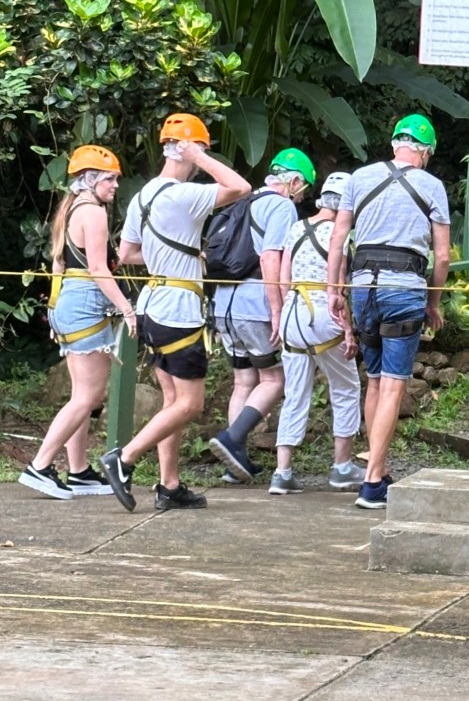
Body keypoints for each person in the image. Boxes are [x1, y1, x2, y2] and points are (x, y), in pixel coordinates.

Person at [99, 113, 251, 512]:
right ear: (189, 149)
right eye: (201, 148)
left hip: (151, 306)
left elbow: (127, 253)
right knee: (190, 404)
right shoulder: (184, 195)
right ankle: (124, 458)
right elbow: (240, 187)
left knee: (172, 400)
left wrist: (174, 254)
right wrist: (200, 157)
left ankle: (169, 486)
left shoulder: (143, 195)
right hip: (178, 312)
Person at [328, 114, 450, 510]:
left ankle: (375, 470)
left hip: (363, 289)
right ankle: (371, 482)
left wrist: (334, 290)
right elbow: (442, 256)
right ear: (425, 152)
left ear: (396, 143)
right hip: (404, 290)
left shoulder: (358, 178)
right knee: (394, 385)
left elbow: (338, 239)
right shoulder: (431, 186)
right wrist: (433, 302)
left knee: (375, 381)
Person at [18, 145, 137, 500]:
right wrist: (127, 308)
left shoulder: (69, 210)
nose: (115, 185)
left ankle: (79, 471)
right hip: (85, 302)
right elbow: (99, 269)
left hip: (68, 301)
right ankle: (39, 465)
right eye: (110, 179)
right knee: (87, 397)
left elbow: (59, 264)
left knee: (82, 395)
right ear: (91, 180)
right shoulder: (94, 213)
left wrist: (54, 308)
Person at [207, 147, 316, 483]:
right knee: (273, 379)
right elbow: (270, 258)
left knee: (243, 380)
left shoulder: (243, 200)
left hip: (224, 304)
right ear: (294, 181)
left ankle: (234, 462)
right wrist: (277, 310)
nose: (302, 197)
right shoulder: (281, 206)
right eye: (304, 189)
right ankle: (233, 439)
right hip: (254, 304)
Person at [269, 171, 363, 495]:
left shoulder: (297, 227)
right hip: (323, 312)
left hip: (293, 312)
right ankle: (342, 466)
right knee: (346, 386)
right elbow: (338, 285)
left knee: (295, 392)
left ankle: (282, 472)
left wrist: (284, 315)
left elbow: (283, 280)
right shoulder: (340, 234)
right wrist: (348, 329)